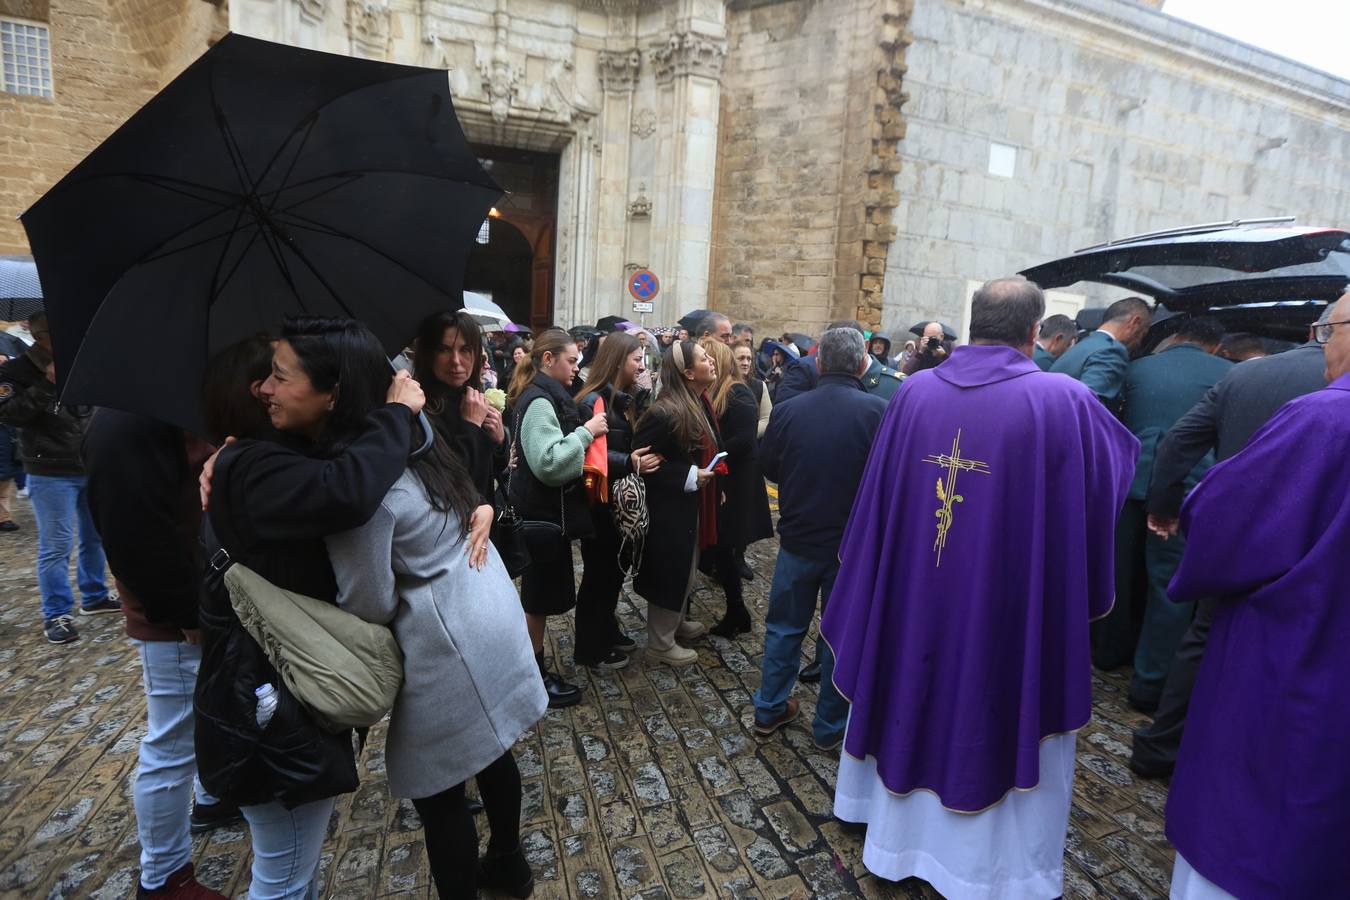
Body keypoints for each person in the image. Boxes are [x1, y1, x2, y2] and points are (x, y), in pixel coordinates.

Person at [822, 277, 1138, 898]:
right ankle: (989, 870)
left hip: (913, 596)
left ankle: (895, 841)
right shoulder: (1063, 401)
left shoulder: (913, 393)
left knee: (906, 677)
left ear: (974, 323)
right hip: (1005, 605)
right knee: (999, 693)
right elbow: (1114, 472)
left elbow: (876, 508)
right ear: (1034, 331)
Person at [195, 317, 425, 900]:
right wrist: (396, 412)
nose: (266, 390)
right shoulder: (256, 468)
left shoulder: (256, 461)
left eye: (279, 376)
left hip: (271, 688)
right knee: (284, 874)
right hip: (268, 700)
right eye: (265, 378)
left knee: (290, 864)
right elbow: (348, 488)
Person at [322, 333, 548, 900]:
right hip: (486, 602)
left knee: (440, 788)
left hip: (448, 637)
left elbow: (368, 600)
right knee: (493, 748)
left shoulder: (364, 474)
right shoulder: (417, 435)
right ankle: (509, 864)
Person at [1162, 289, 1350, 900]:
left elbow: (1223, 519)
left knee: (1263, 822)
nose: (1323, 344)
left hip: (1301, 651)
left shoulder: (1322, 418)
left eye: (1329, 330)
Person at [84, 367, 271, 899]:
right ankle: (163, 877)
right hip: (177, 617)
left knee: (207, 719)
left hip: (206, 602)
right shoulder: (126, 419)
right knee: (171, 741)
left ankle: (212, 799)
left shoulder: (180, 398)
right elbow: (132, 535)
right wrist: (186, 614)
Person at [1130, 305, 1334, 778]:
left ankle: (1158, 749)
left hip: (1237, 534)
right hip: (1313, 539)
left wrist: (1164, 506)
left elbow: (1179, 441)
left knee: (1202, 637)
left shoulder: (1245, 377)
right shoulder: (1326, 386)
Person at [754, 327, 886, 748]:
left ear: (820, 363)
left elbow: (770, 467)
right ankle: (830, 727)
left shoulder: (789, 410)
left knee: (784, 628)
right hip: (851, 545)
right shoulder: (879, 413)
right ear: (863, 362)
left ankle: (769, 708)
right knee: (840, 636)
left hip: (797, 538)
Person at [1095, 317, 1232, 705]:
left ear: (1175, 339)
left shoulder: (1138, 367)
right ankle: (1149, 683)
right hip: (1183, 490)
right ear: (1214, 346)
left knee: (1117, 574)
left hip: (1127, 481)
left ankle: (1106, 654)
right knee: (1168, 588)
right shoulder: (1227, 373)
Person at [0, 311, 118, 644]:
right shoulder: (16, 371)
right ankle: (57, 613)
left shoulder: (81, 360)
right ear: (39, 336)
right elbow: (9, 416)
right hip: (49, 470)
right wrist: (46, 384)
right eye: (59, 332)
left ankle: (94, 595)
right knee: (56, 545)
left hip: (90, 462)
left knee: (95, 537)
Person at [505, 329, 608, 707]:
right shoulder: (539, 401)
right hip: (541, 517)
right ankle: (533, 674)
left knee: (541, 595)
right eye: (571, 359)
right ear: (548, 360)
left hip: (545, 515)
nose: (576, 366)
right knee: (537, 598)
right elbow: (548, 463)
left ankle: (533, 669)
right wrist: (586, 433)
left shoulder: (541, 395)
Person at [573, 332, 661, 671]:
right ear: (617, 361)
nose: (641, 365)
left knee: (611, 573)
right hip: (600, 503)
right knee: (599, 576)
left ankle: (605, 631)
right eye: (636, 359)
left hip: (614, 501)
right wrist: (630, 462)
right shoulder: (593, 401)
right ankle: (590, 649)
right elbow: (590, 454)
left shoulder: (620, 399)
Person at [632, 340, 721, 664]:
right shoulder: (663, 411)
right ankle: (660, 642)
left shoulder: (697, 401)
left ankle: (675, 623)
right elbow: (640, 461)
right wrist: (688, 475)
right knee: (670, 570)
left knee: (686, 566)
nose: (711, 360)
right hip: (667, 510)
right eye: (703, 358)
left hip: (688, 505)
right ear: (687, 372)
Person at [412, 311, 503, 552]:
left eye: (465, 350)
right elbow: (451, 482)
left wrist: (498, 441)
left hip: (482, 530)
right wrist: (471, 427)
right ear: (429, 354)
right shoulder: (419, 409)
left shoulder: (472, 397)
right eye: (444, 350)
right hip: (448, 540)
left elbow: (488, 471)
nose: (456, 361)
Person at [700, 338, 773, 635]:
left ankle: (737, 612)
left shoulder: (738, 393)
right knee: (720, 549)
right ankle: (736, 611)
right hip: (724, 476)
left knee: (725, 547)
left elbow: (743, 441)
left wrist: (708, 455)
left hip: (736, 481)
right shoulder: (719, 391)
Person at [1050, 296, 1152, 408]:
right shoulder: (1111, 351)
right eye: (1143, 334)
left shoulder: (1079, 347)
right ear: (1135, 322)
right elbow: (1090, 406)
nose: (1139, 343)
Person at [732, 343, 771, 439]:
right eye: (741, 358)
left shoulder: (759, 386)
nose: (745, 363)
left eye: (749, 359)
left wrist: (746, 435)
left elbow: (766, 419)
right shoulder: (722, 385)